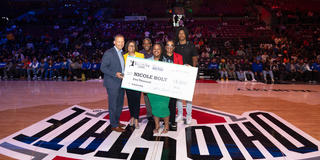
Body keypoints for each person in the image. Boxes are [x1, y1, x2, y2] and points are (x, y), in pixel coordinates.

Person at [100, 34, 126, 132]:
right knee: (113, 105)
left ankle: (116, 121)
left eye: (122, 41)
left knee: (119, 104)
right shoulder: (109, 53)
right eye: (119, 41)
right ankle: (114, 125)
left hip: (121, 82)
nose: (121, 43)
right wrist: (115, 74)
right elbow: (103, 68)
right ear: (114, 42)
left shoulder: (122, 53)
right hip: (112, 83)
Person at [174, 27, 198, 125]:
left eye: (183, 33)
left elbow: (195, 59)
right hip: (178, 73)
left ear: (186, 34)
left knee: (188, 96)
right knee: (178, 96)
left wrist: (192, 71)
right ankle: (180, 114)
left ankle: (189, 115)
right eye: (179, 33)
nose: (181, 35)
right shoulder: (175, 46)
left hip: (188, 73)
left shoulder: (191, 45)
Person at [148, 43, 170, 134]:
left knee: (164, 107)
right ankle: (157, 125)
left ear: (161, 51)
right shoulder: (147, 61)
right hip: (152, 89)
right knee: (155, 107)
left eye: (158, 49)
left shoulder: (167, 61)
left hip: (164, 89)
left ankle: (166, 126)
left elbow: (175, 73)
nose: (156, 50)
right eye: (154, 49)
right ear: (152, 50)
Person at [162, 40, 183, 131]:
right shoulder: (161, 56)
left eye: (172, 45)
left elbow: (181, 70)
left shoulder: (179, 57)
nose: (169, 47)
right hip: (163, 83)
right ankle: (166, 120)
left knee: (173, 103)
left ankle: (172, 121)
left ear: (174, 47)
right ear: (165, 47)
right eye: (168, 45)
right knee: (164, 103)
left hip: (173, 84)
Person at [123, 40, 144, 129]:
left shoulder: (140, 55)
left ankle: (136, 119)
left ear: (135, 47)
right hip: (128, 82)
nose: (131, 48)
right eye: (129, 46)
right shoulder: (124, 56)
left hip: (137, 82)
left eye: (133, 46)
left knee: (137, 100)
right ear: (127, 47)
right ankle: (132, 117)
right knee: (130, 101)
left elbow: (144, 67)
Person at [139, 38, 153, 121]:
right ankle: (149, 114)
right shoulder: (140, 54)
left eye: (148, 43)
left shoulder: (155, 51)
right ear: (143, 45)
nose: (146, 45)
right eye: (144, 43)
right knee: (147, 97)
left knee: (155, 97)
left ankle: (157, 113)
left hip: (154, 78)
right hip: (145, 79)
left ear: (151, 44)